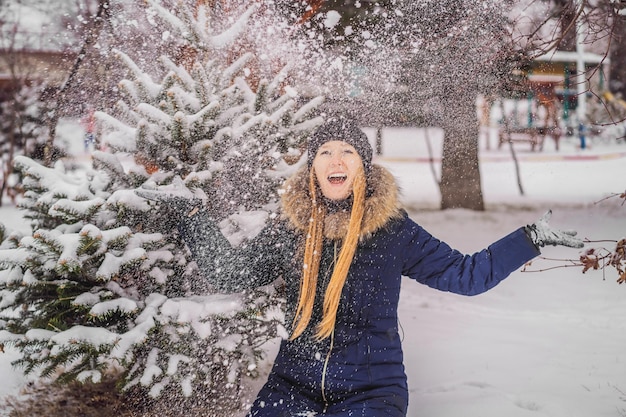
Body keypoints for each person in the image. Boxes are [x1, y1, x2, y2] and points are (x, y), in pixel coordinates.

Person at [138, 116, 583, 417]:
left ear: (363, 167)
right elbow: (230, 273)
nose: (335, 160)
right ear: (312, 167)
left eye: (347, 152)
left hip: (372, 391)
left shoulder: (392, 231)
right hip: (292, 383)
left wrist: (529, 240)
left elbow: (466, 275)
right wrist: (191, 218)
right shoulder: (291, 229)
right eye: (325, 152)